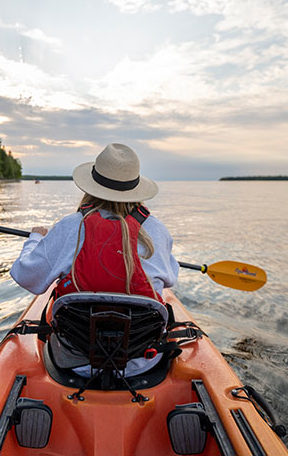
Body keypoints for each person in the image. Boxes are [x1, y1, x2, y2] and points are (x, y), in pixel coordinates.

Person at [10, 143, 180, 376]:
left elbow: (26, 277)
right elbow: (170, 279)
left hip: (76, 361)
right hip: (142, 364)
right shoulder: (157, 231)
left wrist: (35, 239)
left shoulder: (70, 227)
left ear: (91, 187)